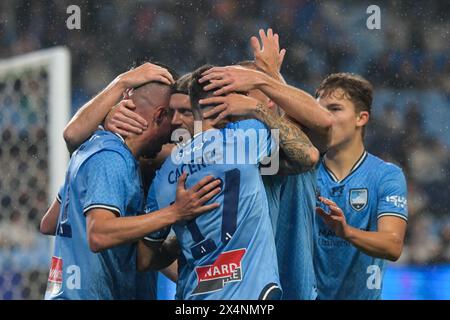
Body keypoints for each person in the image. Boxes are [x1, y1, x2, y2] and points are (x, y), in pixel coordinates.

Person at [41, 68, 222, 300]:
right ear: (158, 116)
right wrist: (175, 213)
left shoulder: (92, 147)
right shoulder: (112, 159)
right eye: (172, 117)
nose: (175, 127)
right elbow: (98, 235)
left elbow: (50, 223)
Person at [142, 64, 318, 299]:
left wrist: (183, 234)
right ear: (221, 102)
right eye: (236, 97)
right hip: (253, 294)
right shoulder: (247, 135)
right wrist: (258, 108)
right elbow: (309, 155)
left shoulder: (165, 174)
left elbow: (145, 259)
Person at [198, 28, 332, 299]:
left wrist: (265, 79)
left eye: (241, 91)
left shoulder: (289, 143)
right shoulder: (214, 147)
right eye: (227, 91)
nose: (232, 99)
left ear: (269, 100)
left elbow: (322, 122)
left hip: (293, 288)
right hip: (234, 293)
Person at [313, 73, 408, 299]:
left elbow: (393, 245)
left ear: (361, 118)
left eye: (335, 109)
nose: (325, 119)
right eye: (320, 110)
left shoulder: (386, 176)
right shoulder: (302, 172)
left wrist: (347, 232)